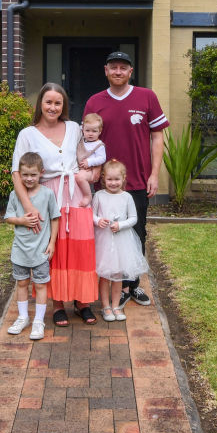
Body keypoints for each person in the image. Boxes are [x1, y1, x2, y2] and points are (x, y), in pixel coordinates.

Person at [84, 51, 168, 308]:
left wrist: (154, 174)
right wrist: (91, 171)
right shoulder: (94, 102)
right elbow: (86, 140)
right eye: (113, 67)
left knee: (136, 232)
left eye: (123, 67)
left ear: (130, 72)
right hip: (105, 184)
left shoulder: (147, 97)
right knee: (107, 235)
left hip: (138, 182)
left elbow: (157, 138)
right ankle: (113, 285)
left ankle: (133, 285)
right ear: (106, 71)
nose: (118, 71)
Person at [12, 83, 100, 326]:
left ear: (64, 106)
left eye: (57, 103)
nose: (53, 107)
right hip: (47, 195)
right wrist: (29, 206)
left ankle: (83, 302)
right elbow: (16, 173)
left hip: (77, 194)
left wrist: (94, 175)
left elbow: (92, 151)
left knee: (82, 248)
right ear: (40, 103)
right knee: (56, 251)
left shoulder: (74, 128)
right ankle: (58, 304)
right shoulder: (27, 134)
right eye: (48, 102)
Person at [4, 152, 59, 340]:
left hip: (41, 251)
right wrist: (21, 220)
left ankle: (38, 321)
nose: (29, 179)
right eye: (25, 174)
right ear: (19, 174)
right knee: (22, 283)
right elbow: (8, 217)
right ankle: (23, 317)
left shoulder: (47, 194)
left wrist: (52, 243)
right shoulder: (15, 195)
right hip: (20, 251)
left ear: (41, 173)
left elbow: (55, 218)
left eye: (33, 175)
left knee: (41, 285)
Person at [92, 160, 148, 322]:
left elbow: (133, 219)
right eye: (110, 179)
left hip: (122, 241)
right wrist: (98, 221)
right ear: (103, 178)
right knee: (104, 275)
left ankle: (116, 305)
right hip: (104, 241)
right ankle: (105, 307)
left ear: (123, 179)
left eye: (117, 179)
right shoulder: (100, 196)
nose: (113, 183)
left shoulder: (127, 197)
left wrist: (120, 225)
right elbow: (92, 214)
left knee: (117, 276)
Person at [74, 112, 106, 208]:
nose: (90, 134)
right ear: (82, 129)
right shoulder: (81, 140)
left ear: (100, 131)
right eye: (87, 130)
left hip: (90, 170)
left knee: (80, 177)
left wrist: (90, 162)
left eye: (94, 131)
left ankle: (88, 196)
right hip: (80, 168)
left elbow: (102, 158)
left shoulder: (99, 145)